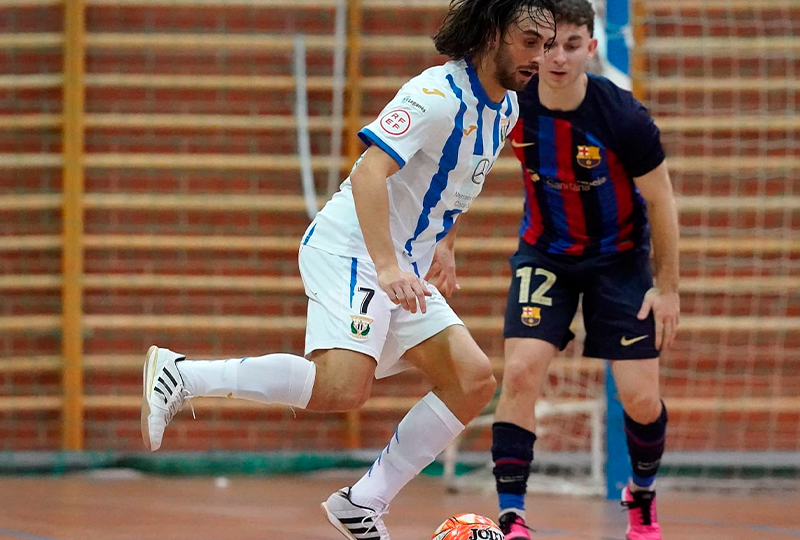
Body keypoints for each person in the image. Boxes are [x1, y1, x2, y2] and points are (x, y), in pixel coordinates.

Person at [140, 2, 556, 538]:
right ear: (494, 33)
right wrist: (386, 267)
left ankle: (362, 503)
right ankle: (183, 375)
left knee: (472, 380)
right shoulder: (435, 96)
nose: (540, 57)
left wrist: (445, 247)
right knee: (342, 389)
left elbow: (456, 185)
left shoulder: (506, 110)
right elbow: (367, 175)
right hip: (352, 249)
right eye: (530, 41)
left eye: (546, 45)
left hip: (399, 262)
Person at [441, 1, 679, 538]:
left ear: (590, 49)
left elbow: (662, 202)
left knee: (641, 399)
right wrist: (447, 242)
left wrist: (667, 288)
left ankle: (640, 495)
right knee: (521, 373)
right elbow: (462, 167)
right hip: (545, 254)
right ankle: (512, 517)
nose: (558, 57)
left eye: (572, 45)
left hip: (619, 262)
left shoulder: (623, 117)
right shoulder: (513, 104)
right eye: (548, 45)